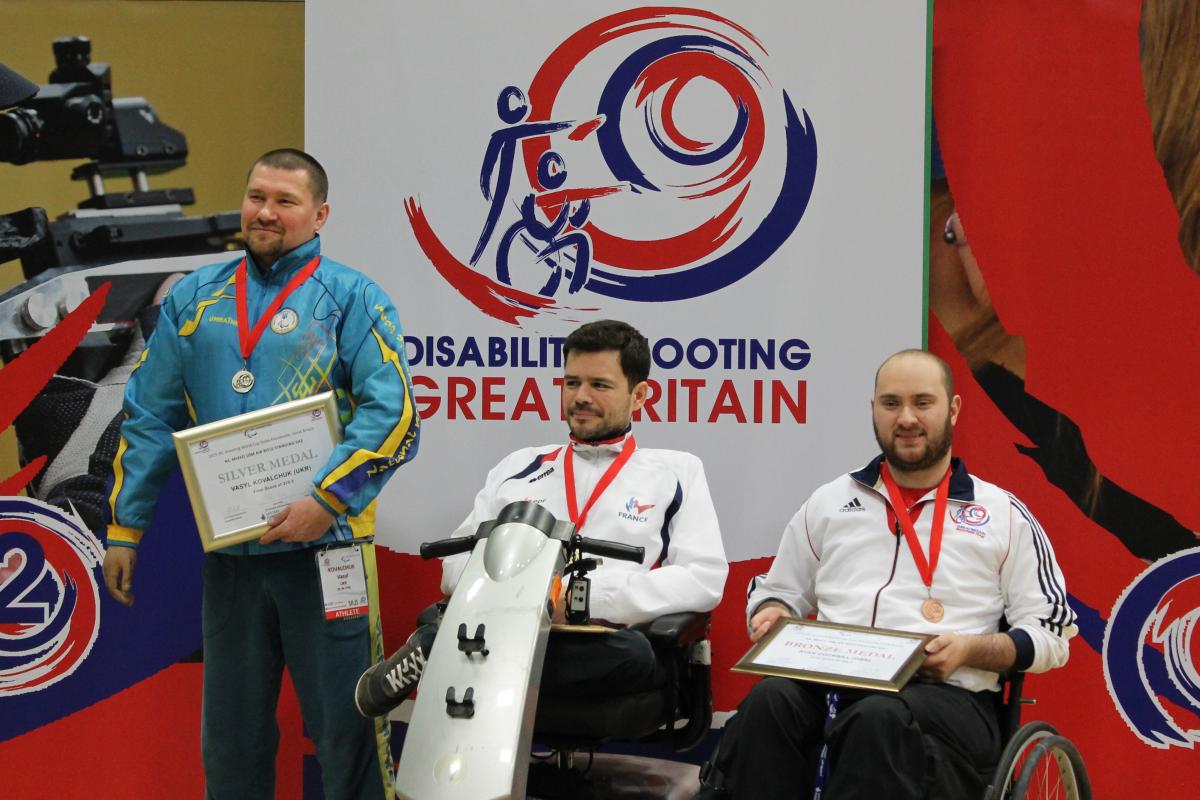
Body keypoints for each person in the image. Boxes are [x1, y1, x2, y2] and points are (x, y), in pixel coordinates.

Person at [101, 148, 420, 800]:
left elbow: (396, 419)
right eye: (256, 197)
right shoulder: (196, 296)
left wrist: (328, 499)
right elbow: (148, 415)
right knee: (231, 738)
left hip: (326, 554)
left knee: (347, 728)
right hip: (234, 560)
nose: (265, 213)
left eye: (284, 201)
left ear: (319, 213)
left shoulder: (352, 298)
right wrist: (126, 527)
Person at [704, 349, 1076, 800]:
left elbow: (1051, 634)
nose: (906, 418)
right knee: (769, 702)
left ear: (953, 409)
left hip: (947, 696)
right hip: (831, 683)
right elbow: (778, 590)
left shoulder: (1002, 515)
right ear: (873, 410)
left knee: (876, 717)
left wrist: (970, 649)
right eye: (891, 403)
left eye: (923, 402)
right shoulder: (830, 501)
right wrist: (772, 611)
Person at [355, 319, 727, 716]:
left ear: (639, 395)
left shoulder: (676, 471)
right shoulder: (520, 466)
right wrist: (535, 596)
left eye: (599, 385)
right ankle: (451, 648)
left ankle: (433, 649)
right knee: (452, 620)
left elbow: (702, 578)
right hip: (509, 626)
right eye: (571, 383)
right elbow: (455, 564)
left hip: (603, 639)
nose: (580, 397)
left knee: (635, 655)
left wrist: (591, 599)